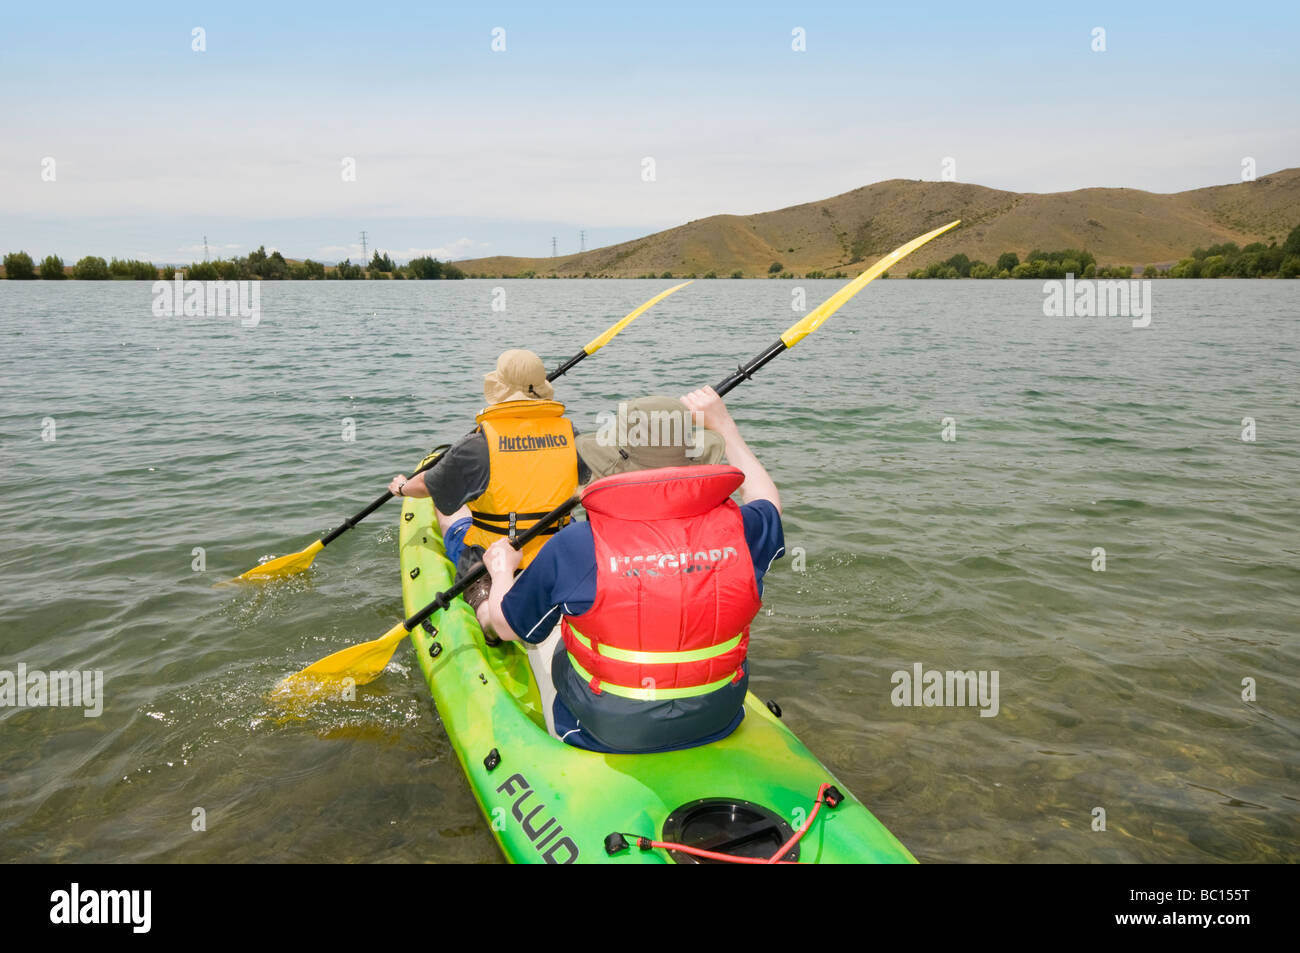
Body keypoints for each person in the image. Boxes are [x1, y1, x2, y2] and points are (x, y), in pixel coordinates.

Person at [477, 387, 784, 753]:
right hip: (721, 715)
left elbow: (509, 628)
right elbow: (767, 500)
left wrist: (500, 572)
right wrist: (725, 426)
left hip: (605, 730)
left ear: (615, 462)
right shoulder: (743, 529)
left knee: (545, 629)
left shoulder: (575, 545)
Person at [388, 349, 589, 608]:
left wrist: (403, 488)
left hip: (495, 553)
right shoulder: (572, 434)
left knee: (446, 500)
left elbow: (427, 485)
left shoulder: (478, 444)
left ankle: (486, 607)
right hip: (557, 548)